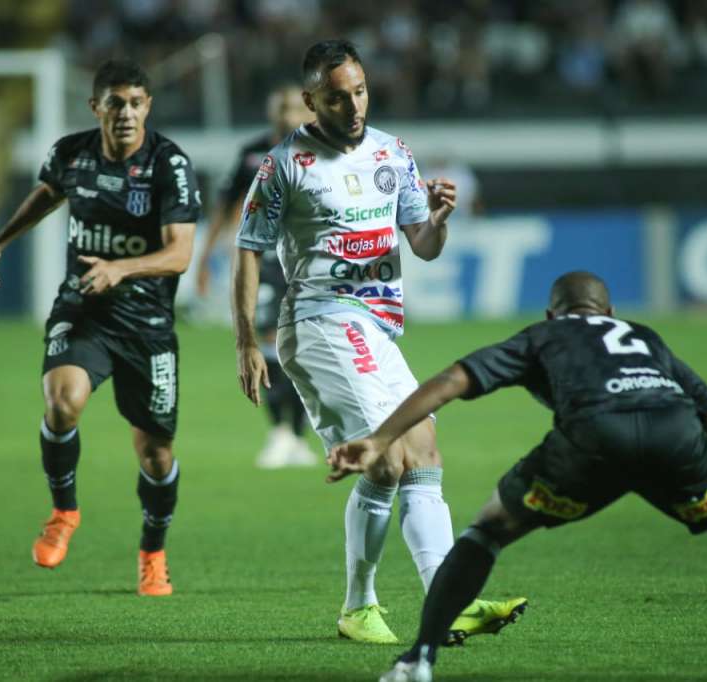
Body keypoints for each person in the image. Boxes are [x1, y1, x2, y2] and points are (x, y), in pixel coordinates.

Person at [327, 271, 707, 682]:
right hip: (673, 438)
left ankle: (419, 661)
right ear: (610, 313)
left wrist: (380, 437)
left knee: (488, 529)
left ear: (553, 313)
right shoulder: (645, 337)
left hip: (593, 444)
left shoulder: (543, 335)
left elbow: (451, 381)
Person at [231, 39, 526, 644]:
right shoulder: (286, 163)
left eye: (360, 91)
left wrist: (439, 219)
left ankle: (444, 601)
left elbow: (422, 243)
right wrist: (243, 342)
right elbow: (249, 251)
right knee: (388, 455)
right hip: (319, 321)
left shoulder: (394, 153)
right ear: (312, 100)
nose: (354, 105)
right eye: (337, 98)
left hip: (378, 327)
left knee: (422, 451)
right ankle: (360, 606)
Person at [0, 59, 201, 597]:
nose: (126, 113)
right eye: (115, 102)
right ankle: (64, 511)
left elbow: (180, 252)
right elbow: (47, 194)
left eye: (136, 102)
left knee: (156, 455)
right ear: (96, 107)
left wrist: (121, 268)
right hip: (85, 310)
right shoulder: (71, 154)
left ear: (148, 107)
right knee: (61, 401)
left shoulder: (169, 164)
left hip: (148, 323)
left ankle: (152, 551)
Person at [195, 83, 316, 469]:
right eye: (281, 105)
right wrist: (204, 258)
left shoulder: (325, 152)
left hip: (308, 264)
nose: (287, 112)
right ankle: (280, 430)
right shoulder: (252, 153)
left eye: (295, 106)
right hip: (261, 260)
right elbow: (225, 205)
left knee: (301, 349)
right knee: (267, 338)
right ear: (271, 112)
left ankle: (295, 436)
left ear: (310, 111)